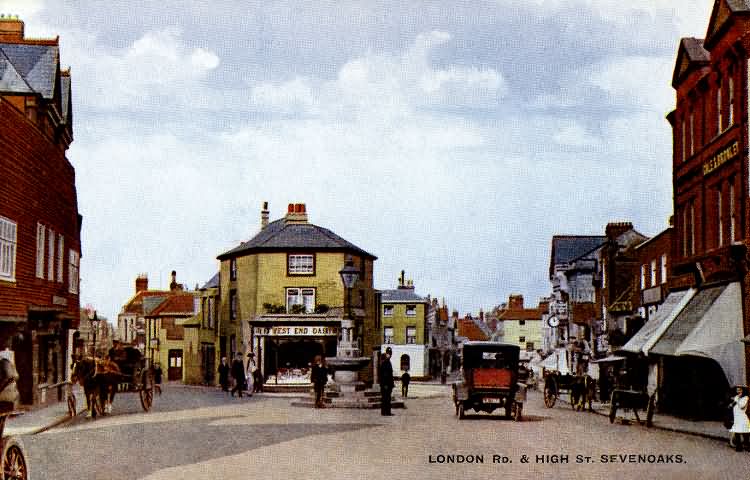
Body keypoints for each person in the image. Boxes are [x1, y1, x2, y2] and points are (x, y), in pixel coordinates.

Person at [729, 385, 750, 451]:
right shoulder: (736, 397)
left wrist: (737, 399)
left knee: (745, 432)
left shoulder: (746, 398)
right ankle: (739, 446)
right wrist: (731, 404)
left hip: (742, 417)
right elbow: (732, 405)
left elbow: (741, 406)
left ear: (743, 391)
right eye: (737, 390)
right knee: (737, 432)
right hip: (737, 417)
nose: (738, 391)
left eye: (739, 390)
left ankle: (747, 446)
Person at [378, 347, 394, 415]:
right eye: (388, 354)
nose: (389, 355)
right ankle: (385, 412)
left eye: (390, 354)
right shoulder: (385, 363)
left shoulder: (388, 362)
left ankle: (386, 411)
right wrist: (385, 384)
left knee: (387, 398)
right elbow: (384, 375)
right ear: (386, 354)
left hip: (388, 384)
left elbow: (390, 375)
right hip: (385, 384)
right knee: (385, 398)